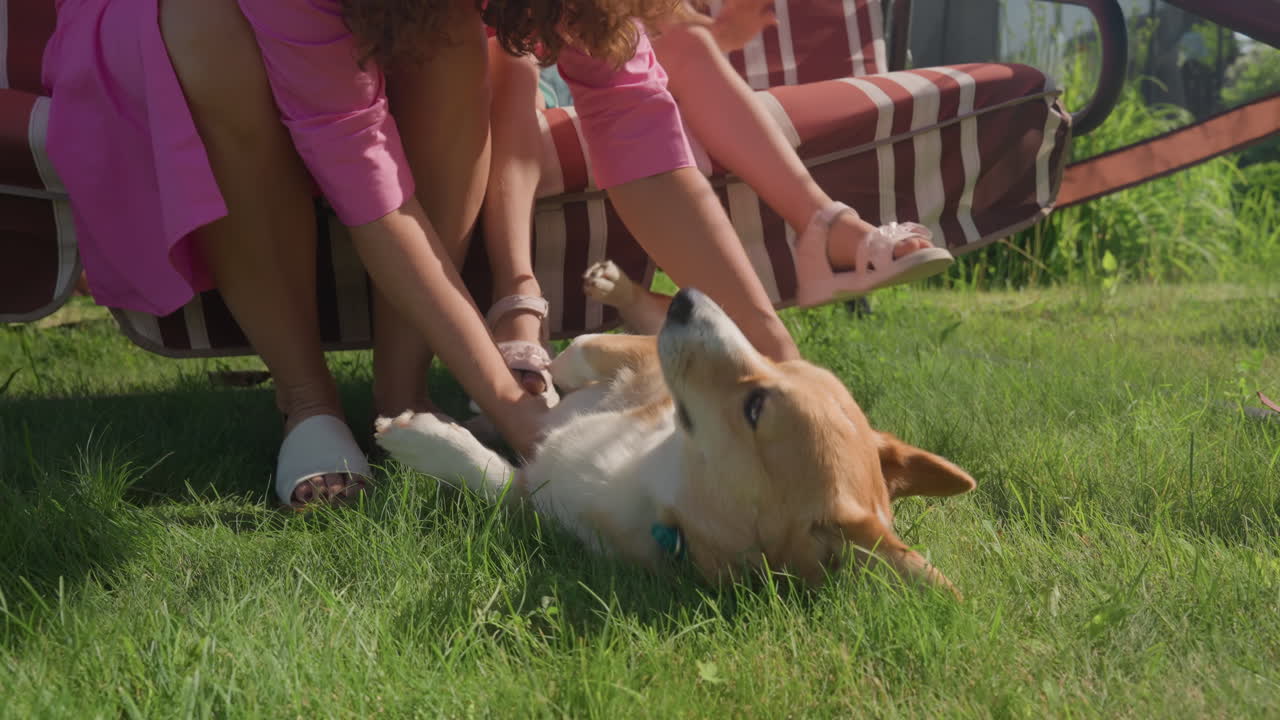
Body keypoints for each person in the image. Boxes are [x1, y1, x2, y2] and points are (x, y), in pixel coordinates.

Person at [37, 0, 801, 509]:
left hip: (394, 22)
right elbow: (361, 166)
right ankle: (307, 403)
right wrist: (520, 416)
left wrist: (783, 365)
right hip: (202, 32)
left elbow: (634, 117)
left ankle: (404, 396)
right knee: (207, 24)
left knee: (451, 39)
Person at [481, 0, 954, 397]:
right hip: (482, 68)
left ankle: (823, 225)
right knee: (513, 59)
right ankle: (517, 296)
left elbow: (632, 82)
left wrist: (768, 345)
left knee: (673, 45)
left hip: (585, 58)